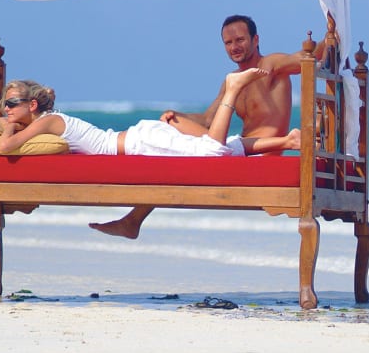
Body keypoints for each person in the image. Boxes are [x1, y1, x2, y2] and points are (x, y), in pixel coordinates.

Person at [90, 14, 332, 238]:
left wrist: (329, 37)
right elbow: (207, 120)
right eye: (228, 43)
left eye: (240, 40)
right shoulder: (231, 82)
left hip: (262, 154)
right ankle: (133, 221)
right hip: (238, 151)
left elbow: (307, 58)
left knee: (175, 144)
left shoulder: (271, 65)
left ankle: (132, 220)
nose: (234, 47)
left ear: (256, 39)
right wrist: (178, 116)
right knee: (173, 137)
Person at [0, 71, 300, 158]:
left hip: (140, 142)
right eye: (4, 106)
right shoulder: (46, 121)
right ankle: (287, 142)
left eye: (11, 104)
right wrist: (8, 121)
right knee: (223, 146)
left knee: (213, 152)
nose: (6, 110)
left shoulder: (48, 121)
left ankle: (232, 89)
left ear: (32, 105)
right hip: (142, 136)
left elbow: (6, 147)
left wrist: (8, 128)